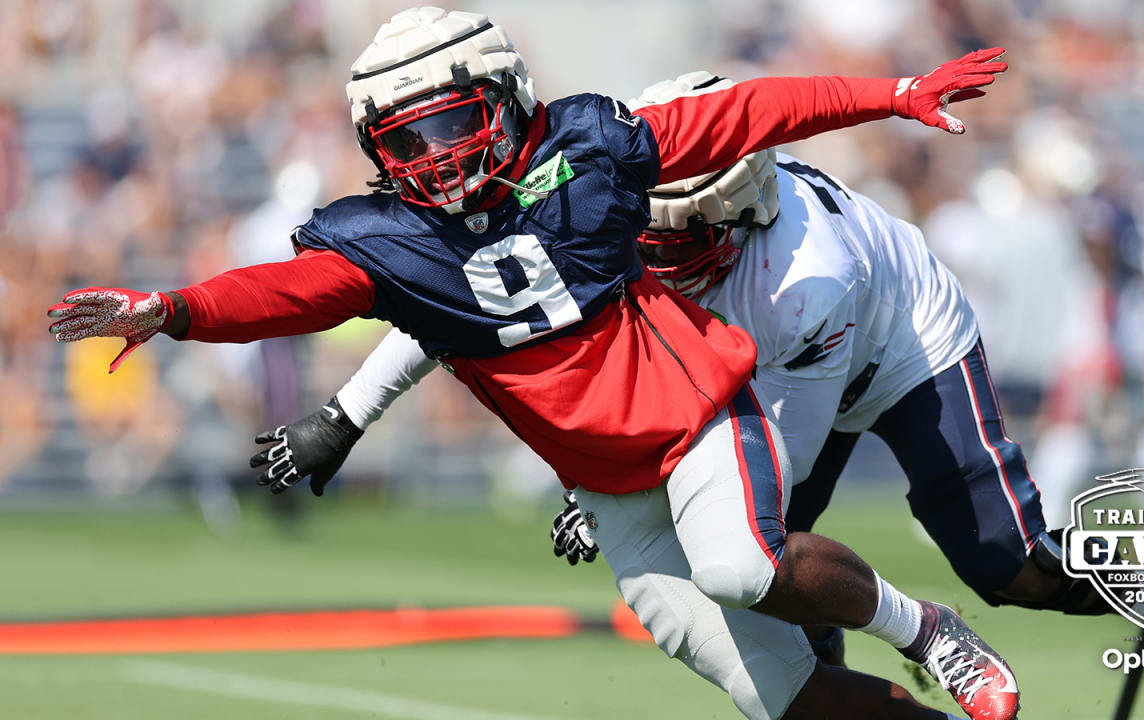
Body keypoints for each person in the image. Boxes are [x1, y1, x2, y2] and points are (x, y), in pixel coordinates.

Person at [47, 8, 1014, 720]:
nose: (434, 159)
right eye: (405, 141)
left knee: (738, 564)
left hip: (698, 414)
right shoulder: (390, 239)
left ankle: (929, 631)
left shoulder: (588, 147)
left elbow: (738, 117)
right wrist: (172, 310)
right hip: (605, 482)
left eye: (449, 124)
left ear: (502, 95)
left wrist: (887, 94)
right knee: (780, 696)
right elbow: (284, 292)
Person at [282, 68, 1144, 720]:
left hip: (892, 342)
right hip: (766, 365)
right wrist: (346, 414)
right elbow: (466, 298)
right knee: (778, 608)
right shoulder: (607, 197)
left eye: (675, 241)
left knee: (996, 563)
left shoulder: (804, 274)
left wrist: (615, 484)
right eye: (643, 234)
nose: (650, 257)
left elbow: (764, 471)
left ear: (737, 215)